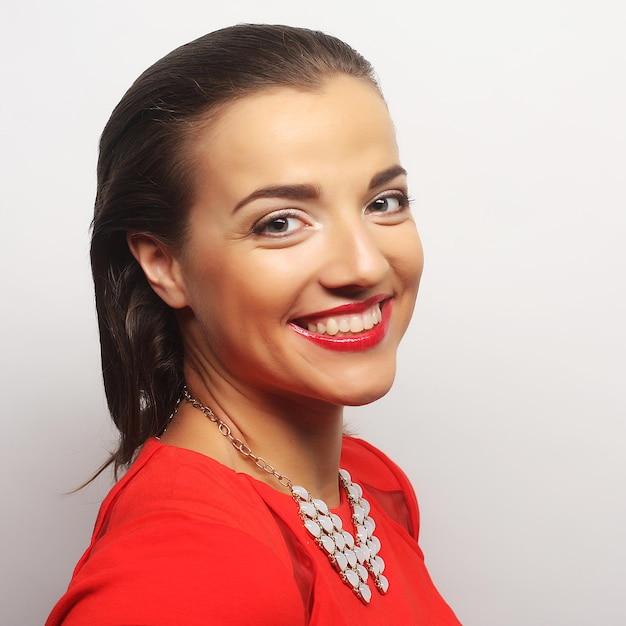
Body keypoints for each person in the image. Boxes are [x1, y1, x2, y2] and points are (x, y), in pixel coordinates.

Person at [46, 23, 461, 625]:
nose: (365, 265)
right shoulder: (186, 570)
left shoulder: (368, 487)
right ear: (165, 264)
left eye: (382, 203)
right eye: (279, 223)